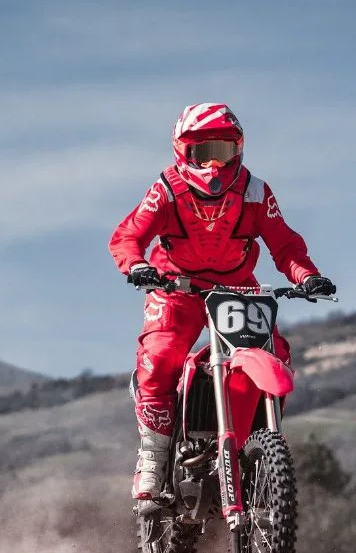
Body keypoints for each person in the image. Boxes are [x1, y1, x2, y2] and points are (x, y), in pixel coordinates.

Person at [108, 102, 336, 503]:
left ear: (239, 150)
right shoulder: (166, 189)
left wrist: (307, 275)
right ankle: (153, 455)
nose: (214, 164)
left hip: (236, 289)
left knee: (275, 354)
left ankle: (248, 449)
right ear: (183, 151)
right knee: (160, 358)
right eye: (203, 151)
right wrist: (137, 265)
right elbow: (127, 236)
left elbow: (284, 243)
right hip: (175, 287)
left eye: (224, 151)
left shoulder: (254, 191)